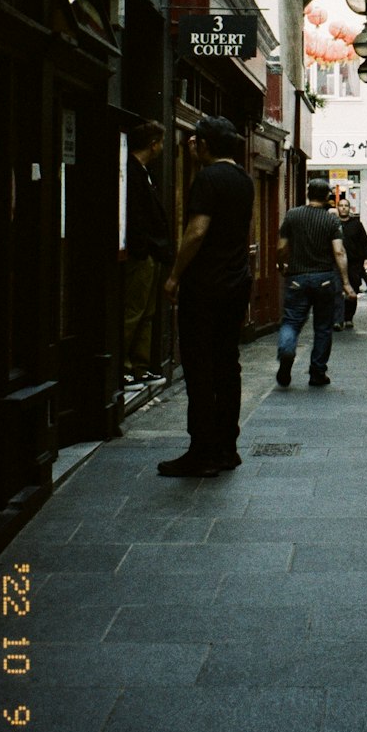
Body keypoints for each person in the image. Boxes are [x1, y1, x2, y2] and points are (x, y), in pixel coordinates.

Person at [158, 116, 255, 477]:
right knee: (228, 366)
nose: (190, 145)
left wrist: (174, 275)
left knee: (199, 368)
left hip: (206, 285)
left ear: (205, 144)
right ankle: (227, 448)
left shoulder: (209, 178)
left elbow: (197, 231)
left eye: (194, 140)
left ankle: (202, 451)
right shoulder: (244, 179)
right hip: (235, 283)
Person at [277, 178, 356, 387]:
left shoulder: (292, 216)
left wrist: (281, 265)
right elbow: (339, 251)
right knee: (322, 327)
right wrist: (346, 283)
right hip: (324, 280)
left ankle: (286, 352)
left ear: (308, 194)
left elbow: (281, 247)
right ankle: (317, 373)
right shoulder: (332, 221)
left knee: (291, 322)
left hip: (296, 278)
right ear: (327, 197)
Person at [122, 120, 174, 388]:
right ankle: (125, 368)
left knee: (146, 312)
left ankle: (139, 368)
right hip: (140, 254)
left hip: (148, 253)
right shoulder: (131, 171)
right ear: (153, 144)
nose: (163, 147)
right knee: (134, 310)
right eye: (161, 142)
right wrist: (144, 249)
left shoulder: (143, 171)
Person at [334, 198, 367, 328]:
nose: (344, 208)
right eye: (341, 205)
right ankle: (338, 319)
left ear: (349, 208)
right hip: (336, 263)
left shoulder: (356, 224)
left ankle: (348, 317)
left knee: (353, 290)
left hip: (354, 263)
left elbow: (364, 241)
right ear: (338, 208)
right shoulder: (333, 223)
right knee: (336, 291)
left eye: (346, 205)